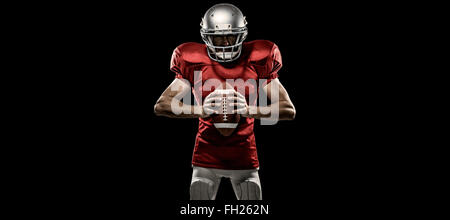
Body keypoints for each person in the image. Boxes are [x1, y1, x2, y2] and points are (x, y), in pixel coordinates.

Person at [154, 3, 295, 200]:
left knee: (252, 210)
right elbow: (162, 106)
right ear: (206, 37)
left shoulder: (259, 58)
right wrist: (200, 109)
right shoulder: (192, 59)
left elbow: (288, 109)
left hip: (245, 158)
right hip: (205, 159)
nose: (226, 43)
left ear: (243, 35)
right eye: (218, 37)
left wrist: (249, 110)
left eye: (231, 36)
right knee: (199, 210)